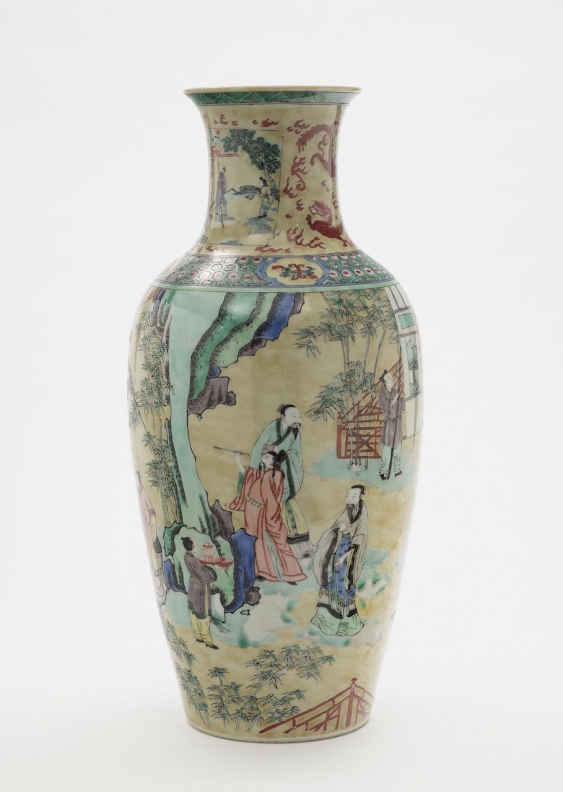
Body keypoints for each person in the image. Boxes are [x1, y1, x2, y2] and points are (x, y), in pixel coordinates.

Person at [230, 450, 306, 584]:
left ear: (273, 461)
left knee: (270, 541)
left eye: (266, 457)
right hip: (254, 512)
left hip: (264, 514)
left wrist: (271, 517)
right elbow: (248, 476)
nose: (262, 458)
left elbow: (271, 498)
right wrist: (238, 462)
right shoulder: (266, 473)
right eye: (262, 456)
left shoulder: (273, 474)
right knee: (258, 542)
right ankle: (264, 571)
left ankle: (289, 573)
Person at [248, 405, 314, 558]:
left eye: (299, 416)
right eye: (293, 416)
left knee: (287, 504)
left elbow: (294, 452)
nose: (298, 419)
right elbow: (259, 446)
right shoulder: (272, 427)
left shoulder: (295, 431)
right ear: (283, 416)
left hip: (286, 471)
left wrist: (277, 450)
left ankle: (298, 545)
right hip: (271, 471)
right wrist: (254, 468)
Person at [311, 485, 369, 636]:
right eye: (348, 495)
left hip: (347, 561)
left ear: (360, 498)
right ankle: (326, 622)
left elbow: (358, 542)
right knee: (333, 585)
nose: (349, 498)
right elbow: (335, 528)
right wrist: (339, 529)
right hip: (338, 555)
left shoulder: (362, 515)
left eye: (353, 496)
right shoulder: (347, 511)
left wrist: (343, 558)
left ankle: (348, 625)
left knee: (344, 587)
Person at [182, 536, 219, 650]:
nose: (197, 545)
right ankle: (207, 640)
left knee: (193, 611)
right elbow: (204, 577)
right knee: (203, 614)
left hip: (192, 586)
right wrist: (212, 570)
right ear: (192, 546)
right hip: (200, 589)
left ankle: (197, 635)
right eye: (195, 543)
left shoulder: (186, 556)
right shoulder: (194, 560)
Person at [136, 471, 165, 602]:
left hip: (151, 529)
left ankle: (161, 581)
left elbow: (152, 511)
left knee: (157, 551)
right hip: (149, 530)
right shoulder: (141, 491)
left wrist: (153, 525)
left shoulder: (143, 492)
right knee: (153, 552)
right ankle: (160, 586)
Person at [377, 370, 405, 480]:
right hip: (389, 424)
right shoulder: (382, 393)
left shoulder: (394, 391)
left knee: (398, 446)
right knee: (386, 448)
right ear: (384, 382)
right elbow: (385, 410)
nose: (392, 380)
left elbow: (401, 406)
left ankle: (397, 470)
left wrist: (400, 399)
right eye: (388, 378)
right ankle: (383, 471)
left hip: (397, 423)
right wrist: (395, 399)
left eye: (391, 377)